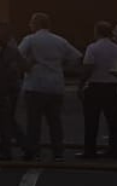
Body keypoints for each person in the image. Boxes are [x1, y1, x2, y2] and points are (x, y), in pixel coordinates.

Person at [17, 12, 81, 161]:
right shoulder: (60, 40)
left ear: (37, 24)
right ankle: (58, 151)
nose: (29, 25)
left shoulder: (30, 40)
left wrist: (26, 67)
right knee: (55, 121)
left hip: (35, 84)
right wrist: (61, 67)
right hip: (55, 85)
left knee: (34, 122)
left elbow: (17, 55)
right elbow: (76, 57)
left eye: (31, 22)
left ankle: (32, 151)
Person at [79, 21, 117, 159]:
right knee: (114, 121)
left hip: (95, 86)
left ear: (97, 32)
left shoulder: (92, 48)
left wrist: (81, 84)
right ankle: (115, 150)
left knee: (91, 121)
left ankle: (89, 150)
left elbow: (88, 67)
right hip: (113, 87)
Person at [0, 22, 25, 160]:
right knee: (5, 120)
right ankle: (8, 147)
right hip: (4, 88)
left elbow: (13, 68)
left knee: (6, 120)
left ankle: (20, 147)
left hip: (7, 90)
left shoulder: (8, 49)